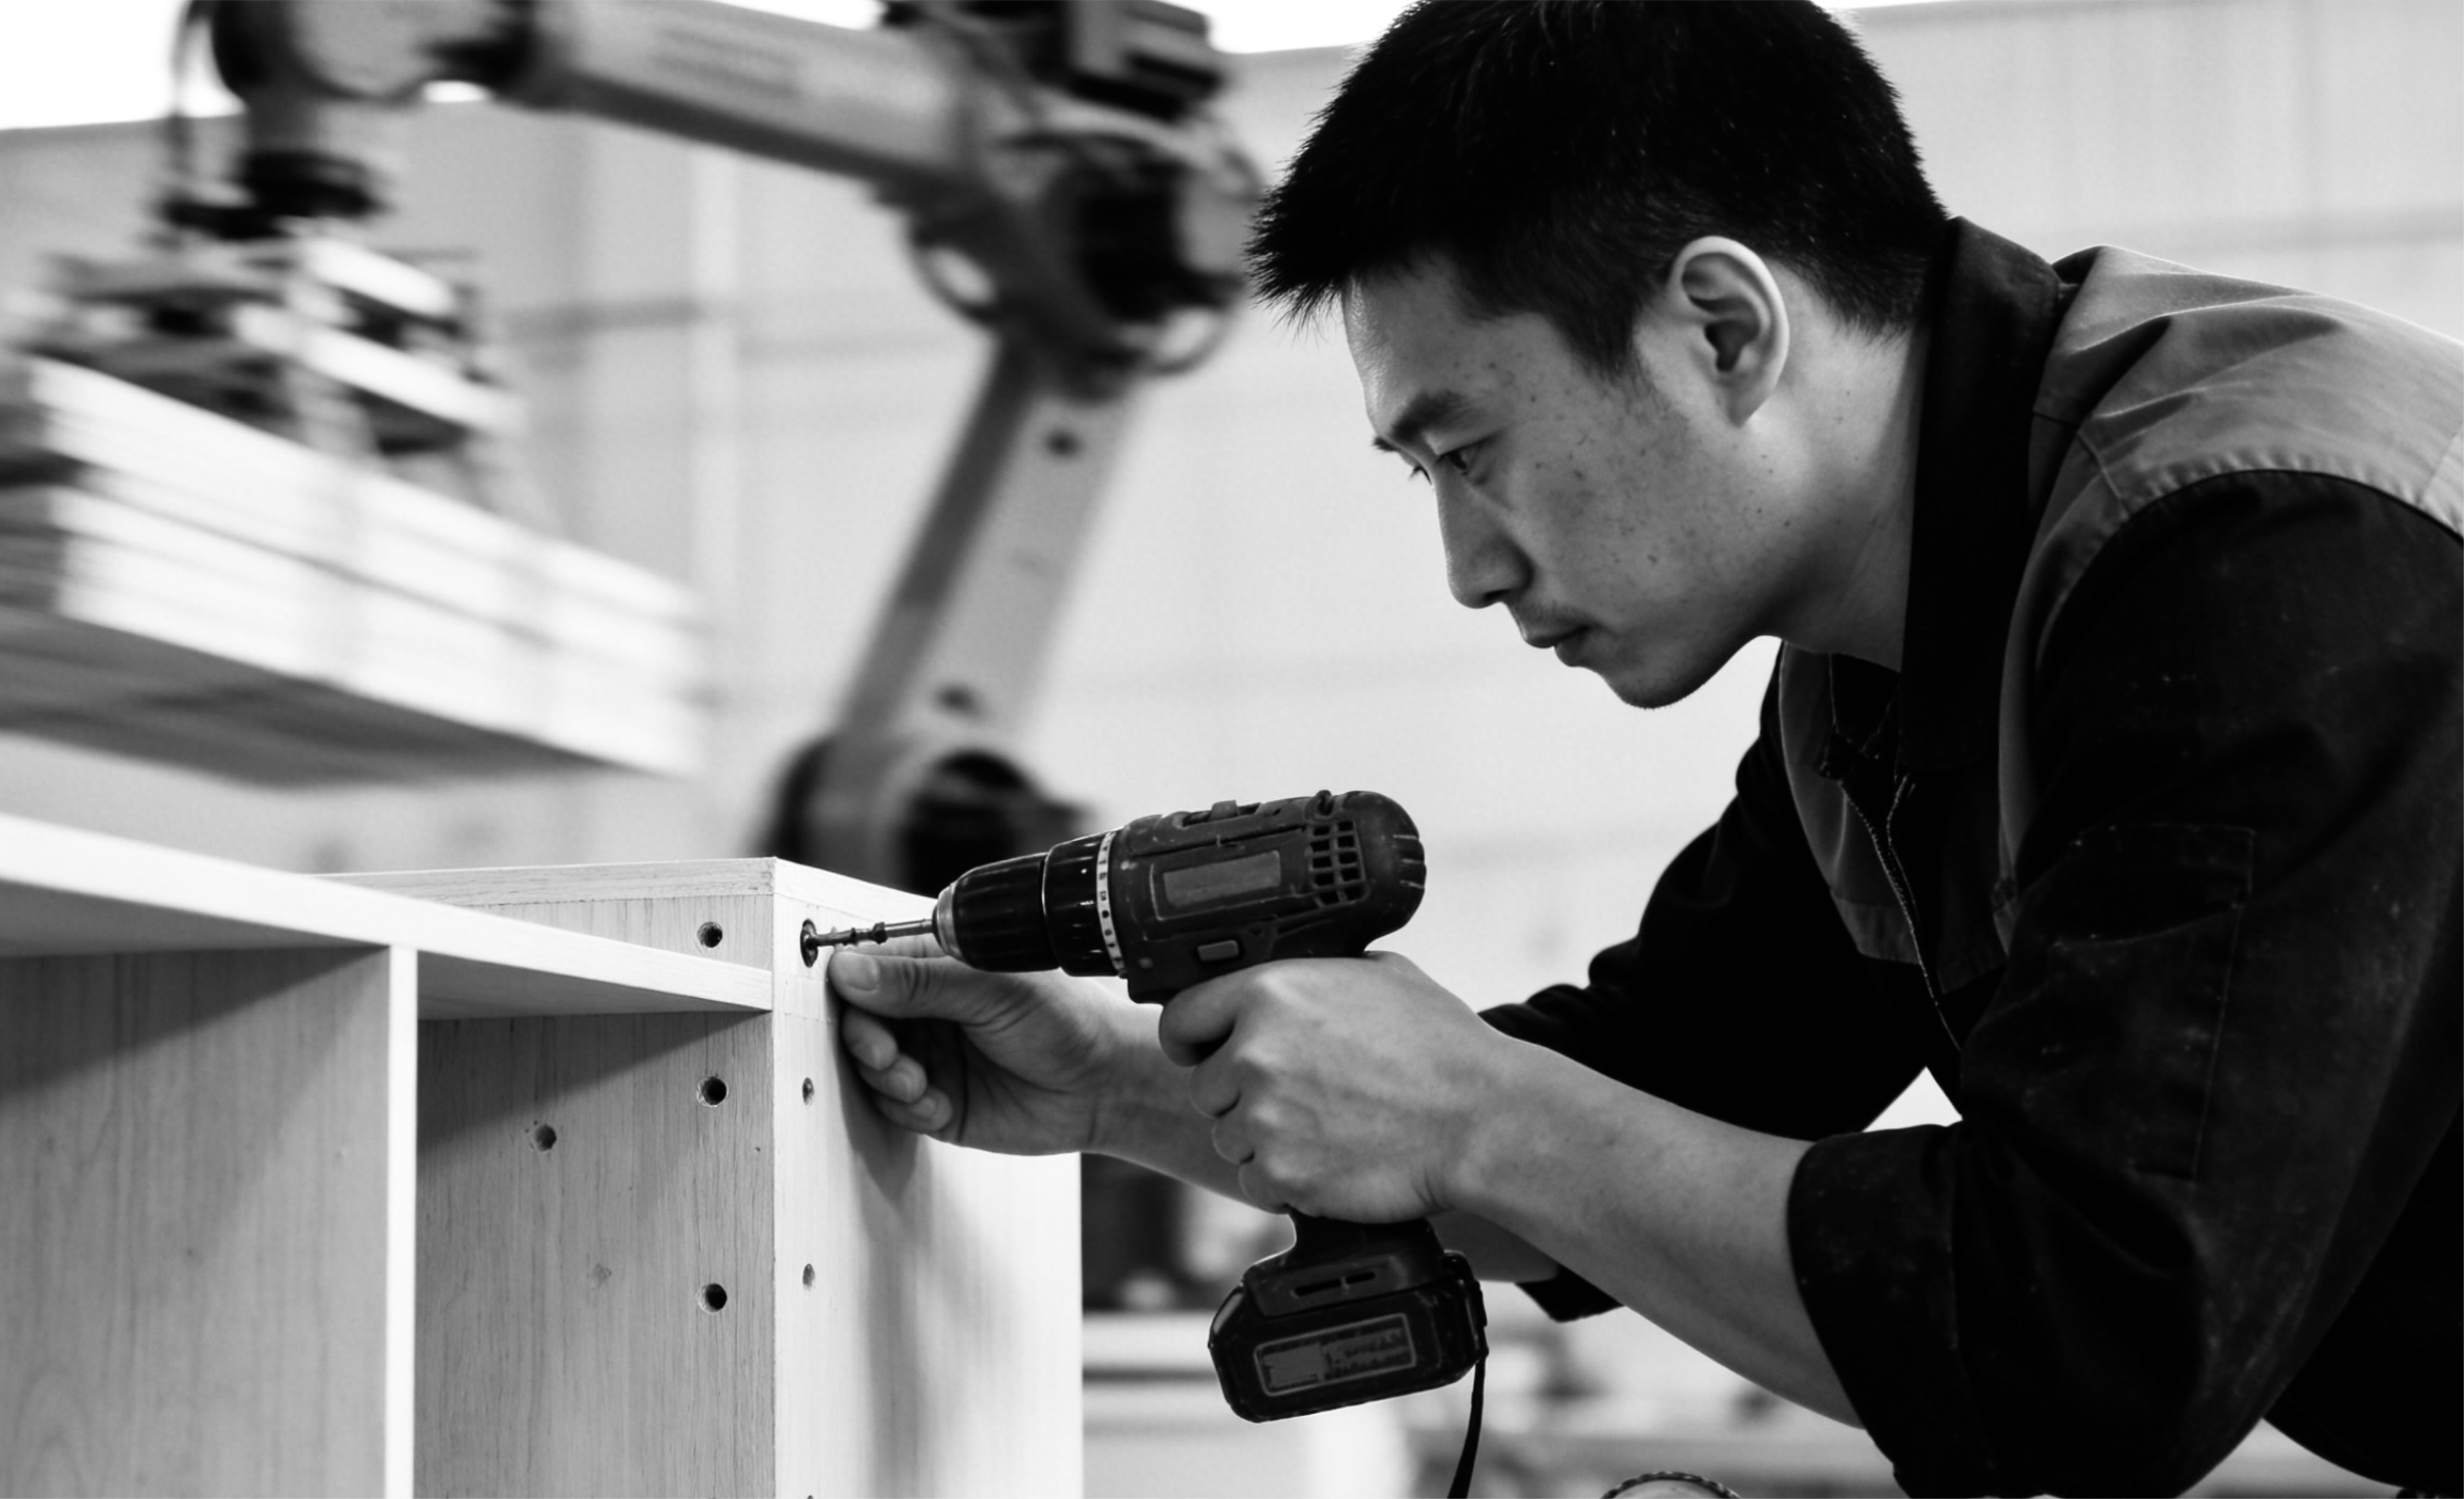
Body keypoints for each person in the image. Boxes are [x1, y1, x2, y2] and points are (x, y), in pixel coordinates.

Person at [822, 2, 2461, 1492]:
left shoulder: (2268, 545)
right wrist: (1107, 1083)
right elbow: (1655, 1093)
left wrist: (1474, 1109)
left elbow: (2092, 1337)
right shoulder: (1873, 674)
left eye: (1471, 451)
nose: (1468, 568)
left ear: (1724, 329)